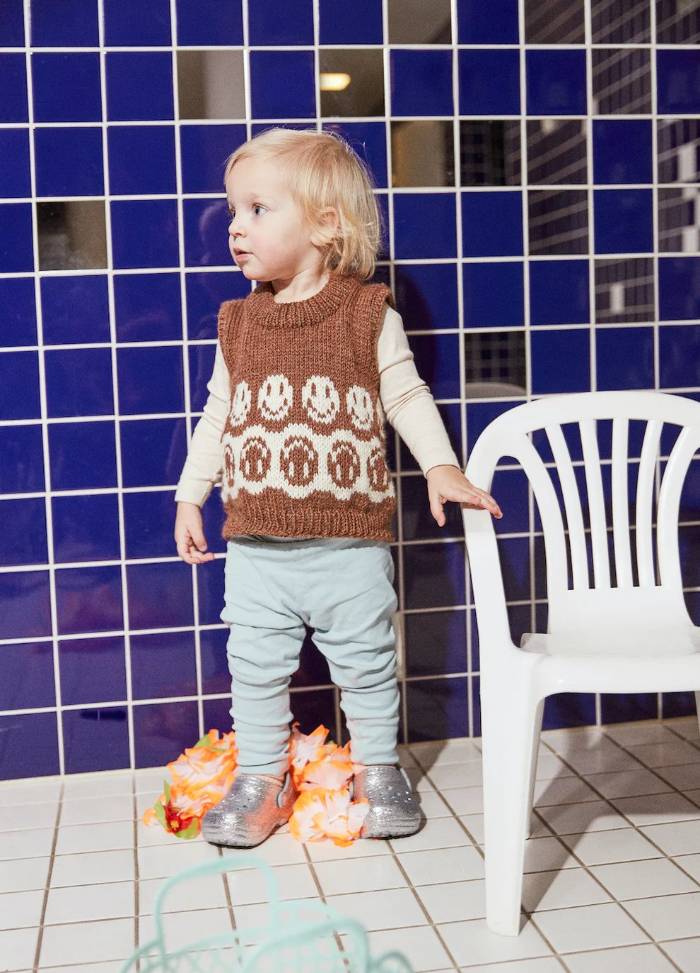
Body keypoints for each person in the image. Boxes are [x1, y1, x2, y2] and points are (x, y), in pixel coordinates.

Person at [174, 127, 502, 848]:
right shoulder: (238, 325)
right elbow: (218, 413)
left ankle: (377, 766)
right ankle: (262, 775)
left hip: (349, 542)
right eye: (234, 210)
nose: (236, 226)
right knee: (254, 670)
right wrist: (191, 494)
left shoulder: (366, 314)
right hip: (258, 546)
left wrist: (440, 465)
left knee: (367, 664)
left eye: (259, 209)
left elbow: (407, 396)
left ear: (326, 226)